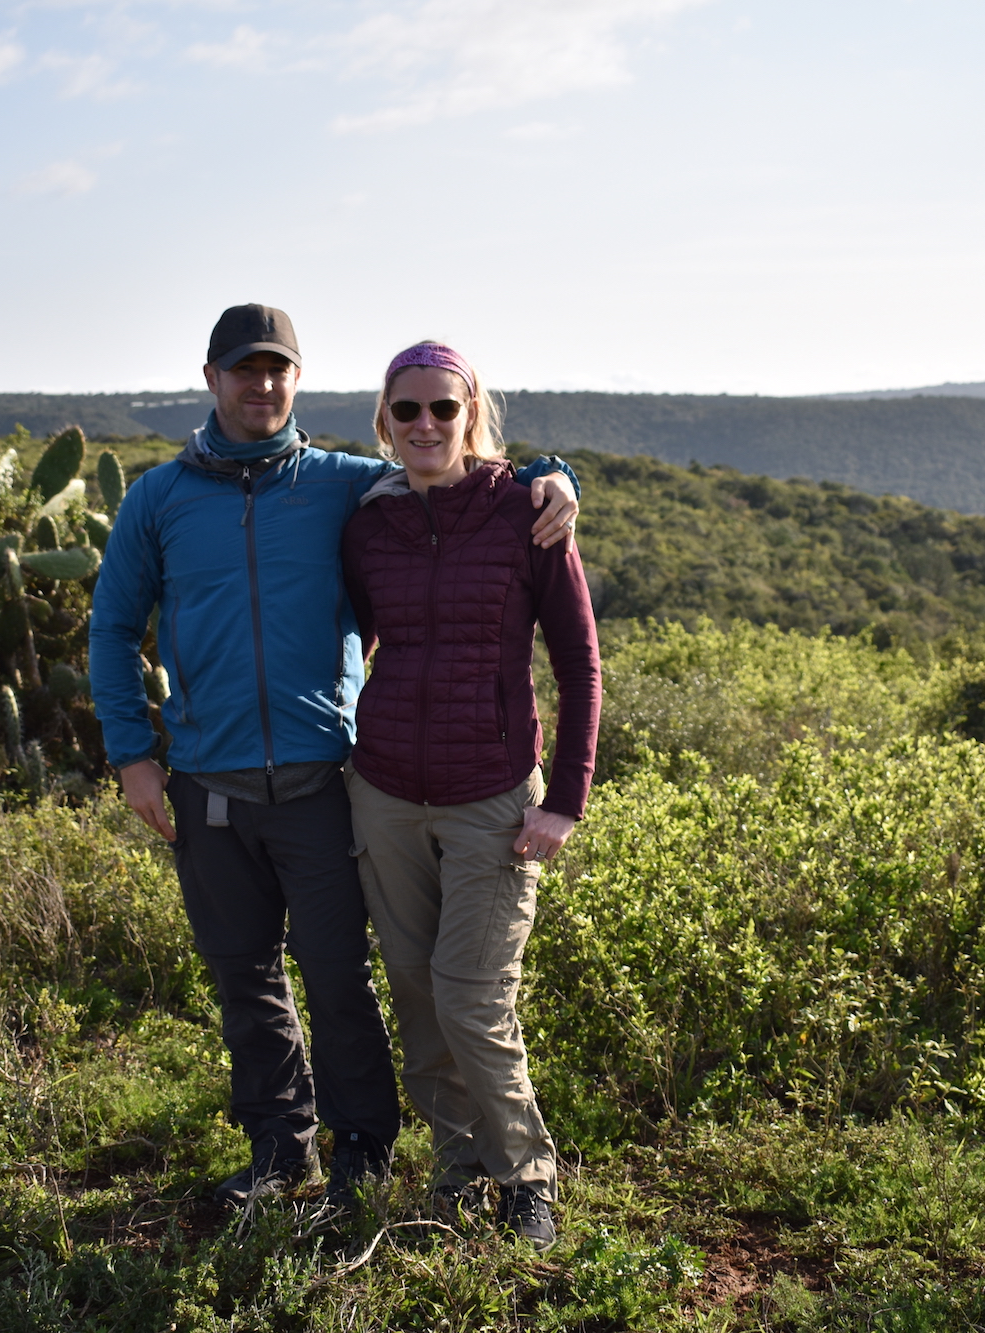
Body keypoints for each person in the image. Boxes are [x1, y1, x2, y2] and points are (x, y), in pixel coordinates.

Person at [89, 306, 579, 1210]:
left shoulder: (348, 484)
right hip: (206, 780)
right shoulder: (158, 499)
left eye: (277, 368)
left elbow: (461, 472)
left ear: (298, 379)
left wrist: (554, 477)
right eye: (244, 369)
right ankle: (281, 1147)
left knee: (339, 974)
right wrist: (135, 755)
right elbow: (114, 628)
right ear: (212, 378)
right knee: (246, 975)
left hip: (324, 776)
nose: (261, 384)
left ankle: (362, 1148)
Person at [340, 341, 601, 1251]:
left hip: (492, 795)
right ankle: (458, 1167)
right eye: (406, 410)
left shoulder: (528, 512)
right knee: (414, 988)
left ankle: (527, 1174)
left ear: (471, 413)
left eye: (442, 410)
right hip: (382, 792)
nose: (424, 426)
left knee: (470, 994)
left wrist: (564, 800)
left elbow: (578, 664)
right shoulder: (367, 524)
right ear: (385, 419)